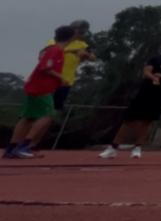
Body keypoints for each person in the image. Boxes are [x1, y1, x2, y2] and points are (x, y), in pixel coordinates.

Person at [100, 38, 161, 159]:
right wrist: (153, 78)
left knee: (147, 121)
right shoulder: (155, 59)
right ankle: (113, 148)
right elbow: (147, 71)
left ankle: (137, 148)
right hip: (145, 93)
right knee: (129, 120)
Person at [5, 26, 74, 159]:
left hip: (37, 87)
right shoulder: (55, 50)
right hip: (41, 89)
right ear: (71, 38)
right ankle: (24, 146)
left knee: (28, 118)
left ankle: (11, 148)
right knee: (48, 114)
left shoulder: (54, 50)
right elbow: (45, 68)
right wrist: (61, 78)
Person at [51, 20, 96, 112]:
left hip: (66, 81)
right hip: (51, 77)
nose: (81, 33)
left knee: (55, 109)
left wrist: (86, 55)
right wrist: (72, 51)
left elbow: (93, 58)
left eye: (83, 31)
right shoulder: (55, 41)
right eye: (79, 30)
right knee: (40, 109)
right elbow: (44, 54)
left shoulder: (82, 45)